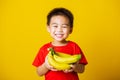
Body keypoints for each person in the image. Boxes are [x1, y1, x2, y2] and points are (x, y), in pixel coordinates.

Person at [32, 7, 88, 80]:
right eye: (55, 26)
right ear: (48, 28)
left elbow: (82, 69)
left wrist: (75, 67)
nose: (59, 30)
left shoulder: (74, 46)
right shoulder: (44, 49)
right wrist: (46, 66)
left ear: (70, 29)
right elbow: (39, 73)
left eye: (64, 26)